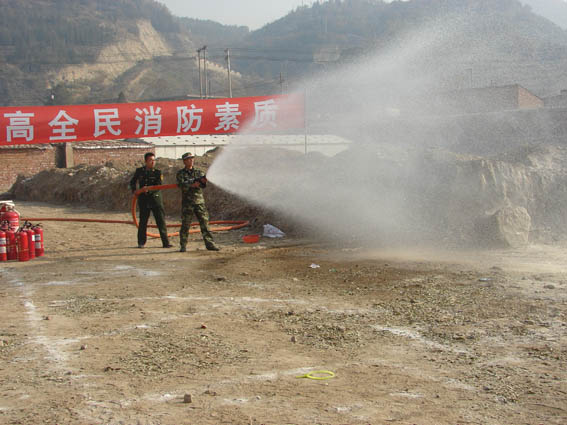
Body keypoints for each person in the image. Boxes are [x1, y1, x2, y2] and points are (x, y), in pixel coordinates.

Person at [176, 152, 220, 252]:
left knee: (205, 224)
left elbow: (203, 185)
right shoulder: (180, 173)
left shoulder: (199, 172)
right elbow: (181, 185)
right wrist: (191, 185)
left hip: (199, 202)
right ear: (184, 161)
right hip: (188, 203)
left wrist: (202, 182)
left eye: (192, 158)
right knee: (185, 225)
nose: (191, 160)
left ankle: (210, 244)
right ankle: (183, 245)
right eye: (189, 159)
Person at [129, 152, 173, 249]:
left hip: (155, 199)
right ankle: (141, 242)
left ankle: (165, 242)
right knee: (143, 221)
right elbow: (132, 182)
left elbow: (159, 185)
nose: (153, 162)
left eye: (154, 160)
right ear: (146, 161)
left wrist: (149, 189)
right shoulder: (139, 171)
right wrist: (135, 191)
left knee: (160, 221)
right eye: (150, 160)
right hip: (143, 199)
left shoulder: (157, 172)